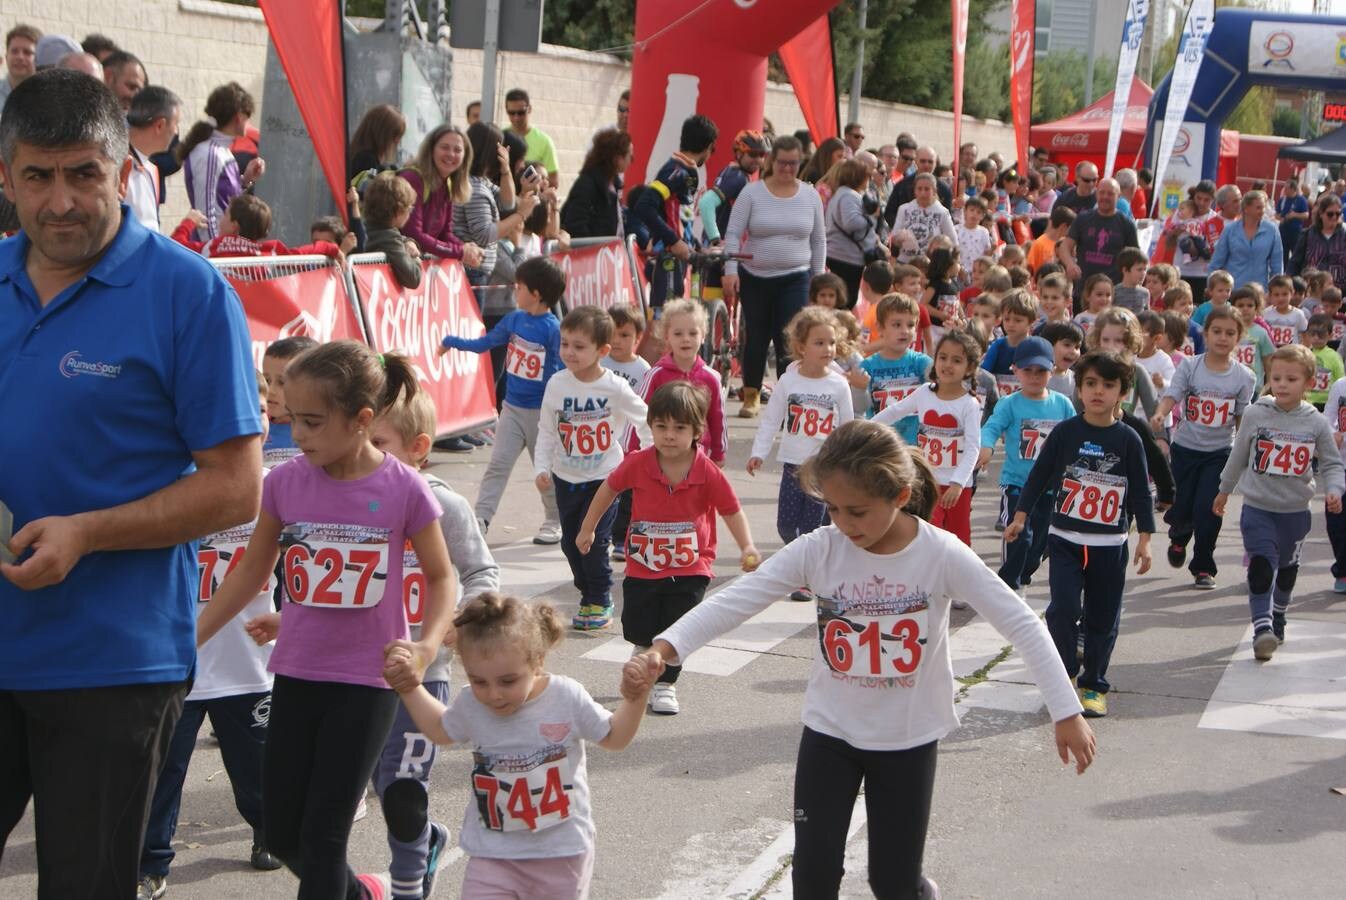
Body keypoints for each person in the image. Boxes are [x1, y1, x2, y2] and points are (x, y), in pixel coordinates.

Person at [635, 419, 1093, 896]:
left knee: (891, 883)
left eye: (857, 511)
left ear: (898, 496)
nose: (843, 524)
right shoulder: (820, 549)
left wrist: (1066, 709)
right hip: (830, 734)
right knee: (812, 876)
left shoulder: (940, 554)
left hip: (907, 740)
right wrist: (665, 647)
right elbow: (739, 597)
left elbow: (1020, 621)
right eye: (833, 509)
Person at [0, 70, 263, 898]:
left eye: (84, 173)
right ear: (6, 176)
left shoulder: (188, 294)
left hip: (113, 660)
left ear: (125, 172)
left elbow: (235, 490)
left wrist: (88, 531)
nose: (61, 201)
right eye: (37, 176)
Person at [194, 342, 455, 900]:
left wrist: (426, 647)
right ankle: (361, 896)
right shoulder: (285, 483)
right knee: (285, 833)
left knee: (324, 834)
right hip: (295, 675)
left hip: (367, 682)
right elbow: (247, 575)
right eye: (291, 418)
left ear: (363, 421)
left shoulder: (402, 488)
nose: (299, 434)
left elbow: (441, 577)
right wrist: (187, 640)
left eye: (312, 422)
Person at [382, 593, 651, 898]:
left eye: (508, 681)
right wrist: (409, 688)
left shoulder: (565, 697)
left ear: (537, 661)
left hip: (560, 854)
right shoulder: (473, 702)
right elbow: (441, 731)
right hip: (492, 855)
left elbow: (615, 738)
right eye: (479, 681)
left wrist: (636, 698)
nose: (493, 694)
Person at [137, 375, 281, 900]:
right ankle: (151, 862)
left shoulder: (282, 487)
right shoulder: (169, 487)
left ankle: (269, 831)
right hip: (175, 661)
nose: (251, 421)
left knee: (259, 767)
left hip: (249, 662)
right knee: (159, 774)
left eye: (261, 410)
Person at [365, 388, 499, 900]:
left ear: (418, 446)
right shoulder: (350, 496)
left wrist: (457, 622)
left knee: (402, 789)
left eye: (379, 443)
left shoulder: (444, 503)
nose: (367, 454)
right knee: (380, 782)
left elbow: (480, 569)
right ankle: (427, 841)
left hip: (426, 675)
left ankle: (406, 888)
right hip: (355, 673)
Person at [578, 382, 760, 716]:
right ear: (651, 427)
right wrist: (588, 528)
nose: (669, 435)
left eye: (679, 428)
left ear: (696, 431)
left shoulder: (706, 471)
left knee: (679, 628)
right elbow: (608, 490)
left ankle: (665, 684)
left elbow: (731, 510)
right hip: (643, 565)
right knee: (639, 623)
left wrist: (746, 544)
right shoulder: (638, 462)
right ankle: (643, 649)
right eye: (661, 426)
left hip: (691, 566)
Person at [1006, 350, 1155, 718]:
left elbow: (1139, 491)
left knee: (1102, 618)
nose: (1098, 392)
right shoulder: (1066, 432)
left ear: (1122, 392)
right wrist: (1020, 516)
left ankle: (1094, 685)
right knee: (1062, 611)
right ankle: (1066, 672)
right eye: (1090, 384)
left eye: (1108, 385)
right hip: (1066, 540)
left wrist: (1146, 539)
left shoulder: (1128, 439)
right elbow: (1039, 475)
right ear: (1079, 388)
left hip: (1109, 545)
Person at [1215, 344, 1344, 660]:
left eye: (1291, 379)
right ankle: (1262, 628)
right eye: (1277, 378)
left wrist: (1335, 490)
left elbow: (1331, 462)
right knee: (1260, 566)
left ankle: (1279, 613)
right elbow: (1239, 455)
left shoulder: (1315, 423)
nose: (1283, 385)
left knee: (1286, 570)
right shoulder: (1257, 413)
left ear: (1308, 383)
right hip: (1258, 508)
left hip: (1295, 513)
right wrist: (1223, 490)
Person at [535, 307, 652, 631]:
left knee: (596, 541)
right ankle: (587, 595)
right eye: (565, 344)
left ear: (602, 350)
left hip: (605, 478)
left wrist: (647, 456)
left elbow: (644, 418)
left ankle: (601, 598)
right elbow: (546, 430)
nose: (569, 352)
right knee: (571, 543)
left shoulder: (613, 387)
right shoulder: (557, 384)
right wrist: (541, 467)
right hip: (565, 477)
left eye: (579, 346)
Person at [440, 256, 564, 545]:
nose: (513, 291)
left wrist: (555, 410)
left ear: (535, 294)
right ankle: (481, 519)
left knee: (543, 471)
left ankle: (554, 519)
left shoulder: (552, 329)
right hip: (511, 408)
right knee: (498, 465)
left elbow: (557, 372)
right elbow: (486, 343)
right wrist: (452, 342)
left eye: (518, 287)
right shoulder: (514, 319)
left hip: (540, 415)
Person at [1149, 309, 1257, 591]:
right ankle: (1179, 535)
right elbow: (1173, 394)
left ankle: (1203, 567)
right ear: (1206, 334)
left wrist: (1245, 449)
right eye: (1217, 331)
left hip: (1219, 452)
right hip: (1185, 449)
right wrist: (1161, 414)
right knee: (1182, 506)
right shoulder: (1190, 366)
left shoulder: (1244, 376)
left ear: (1239, 337)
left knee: (1209, 511)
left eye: (1230, 333)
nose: (1223, 337)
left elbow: (1242, 417)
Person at [721, 135, 827, 417]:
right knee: (756, 336)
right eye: (782, 163)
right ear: (770, 161)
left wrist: (818, 279)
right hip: (755, 275)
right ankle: (751, 393)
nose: (788, 169)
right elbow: (733, 233)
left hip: (796, 277)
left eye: (793, 163)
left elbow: (818, 240)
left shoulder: (809, 196)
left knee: (789, 338)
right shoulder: (752, 193)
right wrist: (730, 270)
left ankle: (787, 397)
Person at [748, 308, 855, 582]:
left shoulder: (839, 385)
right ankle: (815, 555)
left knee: (810, 528)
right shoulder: (788, 381)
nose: (828, 349)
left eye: (831, 342)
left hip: (824, 468)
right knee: (786, 525)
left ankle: (806, 577)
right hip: (793, 466)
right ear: (801, 347)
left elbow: (847, 427)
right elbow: (771, 420)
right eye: (819, 343)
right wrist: (759, 453)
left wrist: (847, 463)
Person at [979, 336, 1078, 592]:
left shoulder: (1062, 404)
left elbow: (1075, 435)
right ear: (1015, 371)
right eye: (1028, 371)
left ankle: (1024, 575)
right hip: (1017, 484)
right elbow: (991, 427)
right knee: (1019, 535)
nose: (1034, 377)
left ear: (1052, 370)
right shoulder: (1009, 404)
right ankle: (1009, 585)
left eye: (1041, 371)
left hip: (1050, 488)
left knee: (1041, 543)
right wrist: (986, 446)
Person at [873, 330, 983, 545]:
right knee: (930, 534)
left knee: (959, 539)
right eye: (942, 357)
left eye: (957, 360)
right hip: (926, 480)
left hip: (956, 485)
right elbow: (896, 410)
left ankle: (957, 576)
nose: (947, 364)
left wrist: (958, 483)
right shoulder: (925, 392)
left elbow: (972, 448)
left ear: (969, 368)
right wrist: (866, 427)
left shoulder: (969, 404)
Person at [632, 114, 718, 310]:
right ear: (708, 147)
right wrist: (674, 241)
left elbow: (679, 217)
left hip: (678, 257)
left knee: (673, 325)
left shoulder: (686, 170)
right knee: (663, 326)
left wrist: (694, 244)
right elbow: (644, 206)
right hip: (667, 258)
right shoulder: (676, 170)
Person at [631, 299, 729, 465]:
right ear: (667, 337)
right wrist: (632, 453)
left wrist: (718, 455)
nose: (686, 339)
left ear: (704, 336)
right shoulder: (656, 375)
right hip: (661, 455)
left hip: (699, 458)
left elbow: (717, 419)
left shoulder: (711, 378)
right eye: (678, 334)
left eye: (693, 333)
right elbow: (639, 413)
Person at [457, 122, 541, 286]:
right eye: (498, 148)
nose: (501, 152)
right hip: (472, 271)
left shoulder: (482, 183)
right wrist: (521, 215)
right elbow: (486, 235)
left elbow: (507, 202)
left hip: (477, 270)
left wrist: (506, 170)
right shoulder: (474, 188)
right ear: (489, 152)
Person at [177, 82, 265, 239]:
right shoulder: (210, 153)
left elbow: (224, 202)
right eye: (248, 117)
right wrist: (215, 255)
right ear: (239, 117)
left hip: (219, 249)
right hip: (211, 253)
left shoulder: (221, 151)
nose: (249, 123)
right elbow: (205, 214)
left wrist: (245, 180)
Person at [398, 124, 484, 269]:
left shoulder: (447, 184)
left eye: (457, 150)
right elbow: (413, 234)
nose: (451, 154)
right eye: (444, 147)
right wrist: (460, 251)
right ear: (431, 150)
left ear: (465, 156)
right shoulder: (412, 179)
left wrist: (467, 250)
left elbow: (445, 234)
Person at [170, 194, 341, 260]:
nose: (221, 219)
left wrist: (189, 222)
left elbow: (174, 247)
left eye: (226, 215)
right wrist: (332, 248)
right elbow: (305, 251)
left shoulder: (212, 248)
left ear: (234, 226)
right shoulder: (271, 252)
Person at [862, 293, 934, 447]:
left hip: (916, 446)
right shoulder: (867, 367)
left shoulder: (921, 363)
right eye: (896, 325)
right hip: (880, 445)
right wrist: (857, 386)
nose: (904, 331)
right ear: (880, 328)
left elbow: (941, 388)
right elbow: (860, 407)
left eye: (910, 325)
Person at [1059, 178, 1139, 306]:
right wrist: (1070, 264)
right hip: (1084, 291)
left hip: (1112, 294)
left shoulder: (1126, 224)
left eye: (1110, 193)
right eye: (1102, 193)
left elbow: (1135, 258)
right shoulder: (1083, 219)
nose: (1105, 197)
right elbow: (1065, 246)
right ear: (1096, 194)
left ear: (1118, 196)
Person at [825, 158, 887, 306]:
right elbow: (851, 223)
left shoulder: (842, 193)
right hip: (846, 257)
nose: (869, 180)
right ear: (858, 177)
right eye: (868, 176)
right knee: (845, 301)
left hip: (842, 255)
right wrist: (872, 217)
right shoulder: (848, 196)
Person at [698, 128, 768, 248]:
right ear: (739, 154)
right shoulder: (737, 176)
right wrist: (716, 240)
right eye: (753, 154)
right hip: (720, 250)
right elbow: (706, 203)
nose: (758, 160)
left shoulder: (733, 172)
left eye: (761, 155)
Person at [125, 85, 182, 232]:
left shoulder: (152, 170)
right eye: (176, 124)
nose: (176, 132)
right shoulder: (113, 166)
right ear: (160, 125)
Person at [561, 127, 632, 238]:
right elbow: (575, 225)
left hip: (611, 252)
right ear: (617, 158)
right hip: (592, 253)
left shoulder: (614, 185)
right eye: (630, 157)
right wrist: (594, 250)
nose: (631, 161)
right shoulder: (586, 185)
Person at [1209, 190, 1282, 290]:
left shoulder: (1272, 230)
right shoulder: (1230, 230)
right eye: (1258, 208)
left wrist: (1276, 290)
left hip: (1260, 290)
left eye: (1263, 207)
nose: (1263, 211)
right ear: (1246, 209)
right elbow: (1216, 263)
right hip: (1232, 290)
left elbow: (1277, 264)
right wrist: (1211, 288)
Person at [363, 172, 425, 289]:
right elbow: (413, 278)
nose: (410, 213)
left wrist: (407, 241)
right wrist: (416, 259)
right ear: (399, 211)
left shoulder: (366, 228)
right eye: (409, 209)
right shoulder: (389, 239)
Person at [1160, 180, 1219, 299]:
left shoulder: (1214, 219)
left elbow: (1215, 250)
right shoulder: (1181, 213)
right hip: (1180, 271)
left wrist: (1199, 249)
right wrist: (1176, 231)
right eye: (1199, 198)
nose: (1201, 203)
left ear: (1213, 200)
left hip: (1202, 274)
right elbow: (1168, 244)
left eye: (1206, 200)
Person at [890, 173, 957, 264]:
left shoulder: (942, 212)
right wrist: (900, 238)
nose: (923, 193)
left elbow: (953, 241)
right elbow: (894, 236)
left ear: (934, 191)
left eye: (927, 189)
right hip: (905, 262)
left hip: (929, 263)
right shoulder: (904, 209)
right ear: (914, 190)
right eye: (919, 189)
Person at [1289, 192, 1346, 293]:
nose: (1334, 217)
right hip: (1311, 292)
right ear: (1321, 214)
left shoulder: (1344, 235)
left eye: (1337, 214)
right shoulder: (1307, 234)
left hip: (1339, 295)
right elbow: (1295, 263)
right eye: (1330, 214)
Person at [504, 88, 560, 188]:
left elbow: (553, 181)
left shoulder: (544, 141)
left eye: (521, 112)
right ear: (506, 110)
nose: (516, 117)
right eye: (511, 113)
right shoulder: (501, 137)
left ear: (529, 108)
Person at [883, 146, 953, 225]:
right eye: (923, 161)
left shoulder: (944, 189)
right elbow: (889, 214)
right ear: (915, 161)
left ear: (935, 163)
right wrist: (905, 227)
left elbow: (948, 219)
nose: (926, 165)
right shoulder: (901, 186)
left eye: (930, 162)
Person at [349, 103, 407, 181]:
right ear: (382, 134)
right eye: (395, 136)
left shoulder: (359, 155)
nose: (397, 142)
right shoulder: (367, 160)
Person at [0, 24, 40, 110]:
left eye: (27, 52)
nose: (20, 57)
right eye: (14, 51)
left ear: (39, 58)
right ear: (6, 56)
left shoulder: (47, 97)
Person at [1277, 179, 1310, 269]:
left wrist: (1295, 215)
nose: (1285, 190)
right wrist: (1280, 218)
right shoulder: (1282, 200)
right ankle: (1283, 271)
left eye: (1287, 188)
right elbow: (1277, 214)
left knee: (1296, 253)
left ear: (1293, 189)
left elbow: (1306, 214)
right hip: (1283, 230)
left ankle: (1294, 270)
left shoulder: (1301, 200)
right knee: (1283, 253)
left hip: (1295, 231)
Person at [1113, 247, 1151, 314]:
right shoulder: (1114, 291)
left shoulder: (1145, 293)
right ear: (1125, 270)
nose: (1143, 273)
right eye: (1139, 269)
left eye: (1145, 269)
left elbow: (1146, 316)